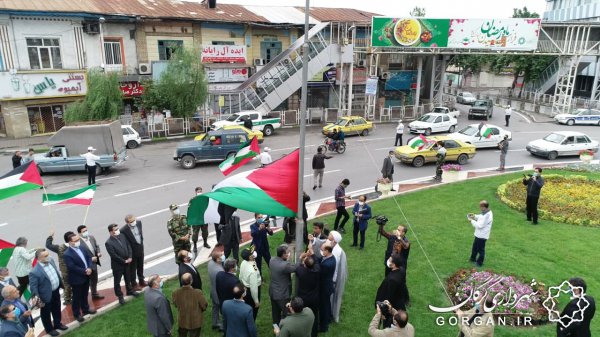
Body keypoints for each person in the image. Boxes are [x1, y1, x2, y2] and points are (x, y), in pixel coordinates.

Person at [28, 249, 68, 336]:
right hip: (45, 296)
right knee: (46, 314)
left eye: (48, 254)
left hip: (56, 291)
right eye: (45, 256)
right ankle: (49, 329)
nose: (48, 257)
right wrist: (38, 299)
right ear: (39, 258)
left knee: (57, 308)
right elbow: (33, 288)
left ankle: (58, 324)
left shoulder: (51, 261)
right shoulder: (34, 272)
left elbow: (56, 273)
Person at [63, 233, 97, 322]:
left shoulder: (82, 247)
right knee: (76, 297)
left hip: (86, 275)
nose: (78, 242)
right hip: (77, 279)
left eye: (78, 240)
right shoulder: (67, 254)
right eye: (76, 240)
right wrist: (85, 271)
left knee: (85, 294)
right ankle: (77, 314)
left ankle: (85, 309)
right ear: (70, 242)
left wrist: (89, 267)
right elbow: (72, 267)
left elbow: (88, 258)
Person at [105, 224, 138, 305]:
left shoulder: (122, 236)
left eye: (117, 228)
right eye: (115, 229)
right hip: (118, 266)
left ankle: (129, 291)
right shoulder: (108, 243)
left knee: (128, 278)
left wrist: (130, 257)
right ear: (110, 232)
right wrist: (124, 261)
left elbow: (128, 246)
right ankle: (120, 296)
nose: (117, 230)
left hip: (127, 262)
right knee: (117, 282)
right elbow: (113, 255)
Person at [172, 273, 208, 337]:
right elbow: (204, 305)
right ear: (191, 281)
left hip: (182, 319)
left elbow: (176, 304)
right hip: (195, 321)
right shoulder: (198, 292)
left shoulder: (175, 292)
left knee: (182, 335)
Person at [269, 244, 298, 325]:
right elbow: (295, 267)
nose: (289, 253)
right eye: (288, 252)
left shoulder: (271, 260)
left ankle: (276, 328)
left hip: (273, 292)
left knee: (275, 313)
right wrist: (290, 259)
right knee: (287, 313)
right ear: (283, 254)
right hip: (282, 294)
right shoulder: (285, 265)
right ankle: (285, 329)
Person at [46, 231, 72, 304]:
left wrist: (50, 237)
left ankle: (68, 299)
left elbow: (48, 245)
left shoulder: (59, 248)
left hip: (64, 270)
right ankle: (68, 299)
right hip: (69, 269)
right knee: (68, 284)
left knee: (66, 284)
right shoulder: (74, 246)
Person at [296, 255, 320, 337]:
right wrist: (313, 255)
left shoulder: (300, 271)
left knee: (302, 316)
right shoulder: (317, 271)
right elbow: (316, 262)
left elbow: (298, 266)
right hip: (314, 299)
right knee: (315, 316)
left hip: (303, 299)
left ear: (305, 265)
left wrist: (300, 258)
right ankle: (314, 334)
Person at [77, 225, 103, 299]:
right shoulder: (78, 242)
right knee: (86, 283)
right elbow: (80, 255)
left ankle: (94, 294)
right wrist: (91, 259)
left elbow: (97, 246)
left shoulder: (91, 237)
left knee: (94, 279)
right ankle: (83, 298)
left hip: (94, 263)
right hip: (86, 265)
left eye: (86, 230)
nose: (86, 232)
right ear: (79, 233)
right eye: (84, 231)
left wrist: (98, 252)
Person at [120, 214, 146, 289]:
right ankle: (134, 284)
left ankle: (142, 280)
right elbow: (125, 243)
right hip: (132, 252)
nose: (133, 222)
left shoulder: (139, 223)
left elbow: (140, 235)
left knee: (140, 266)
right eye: (131, 221)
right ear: (127, 223)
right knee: (132, 269)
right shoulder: (123, 230)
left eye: (134, 220)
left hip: (140, 249)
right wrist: (129, 254)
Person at [328, 231, 348, 323]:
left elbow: (334, 267)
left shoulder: (336, 251)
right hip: (332, 278)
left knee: (332, 298)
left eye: (330, 235)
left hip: (333, 279)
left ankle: (332, 314)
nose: (328, 236)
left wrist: (332, 279)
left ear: (334, 239)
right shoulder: (334, 247)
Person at [468, 200, 494, 267]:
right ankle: (472, 259)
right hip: (478, 234)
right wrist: (474, 216)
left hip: (482, 236)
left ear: (484, 207)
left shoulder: (487, 215)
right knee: (475, 247)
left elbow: (480, 226)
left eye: (480, 207)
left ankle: (479, 263)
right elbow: (480, 216)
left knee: (480, 250)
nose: (480, 208)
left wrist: (471, 220)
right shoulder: (485, 212)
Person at [317, 244, 336, 333]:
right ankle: (328, 318)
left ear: (327, 251)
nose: (322, 252)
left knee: (323, 307)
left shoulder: (327, 265)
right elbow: (320, 259)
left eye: (323, 250)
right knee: (327, 304)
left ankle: (323, 327)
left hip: (324, 288)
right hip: (327, 286)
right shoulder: (330, 257)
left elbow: (318, 270)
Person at [239, 248, 261, 320]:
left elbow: (240, 276)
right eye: (252, 254)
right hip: (251, 292)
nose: (254, 254)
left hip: (245, 289)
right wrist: (256, 301)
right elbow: (254, 288)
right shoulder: (253, 272)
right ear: (250, 257)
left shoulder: (244, 262)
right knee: (253, 312)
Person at [189, 188, 210, 254]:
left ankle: (205, 243)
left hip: (203, 218)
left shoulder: (205, 198)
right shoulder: (192, 200)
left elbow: (208, 207)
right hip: (196, 219)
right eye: (198, 191)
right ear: (196, 192)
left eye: (201, 191)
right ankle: (195, 246)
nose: (200, 192)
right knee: (195, 233)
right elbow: (190, 209)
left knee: (205, 232)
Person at [207, 252, 224, 331]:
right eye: (221, 255)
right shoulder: (219, 271)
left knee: (215, 307)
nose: (222, 256)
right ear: (217, 259)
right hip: (219, 293)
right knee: (222, 310)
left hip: (213, 290)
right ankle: (222, 326)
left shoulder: (210, 263)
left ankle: (215, 322)